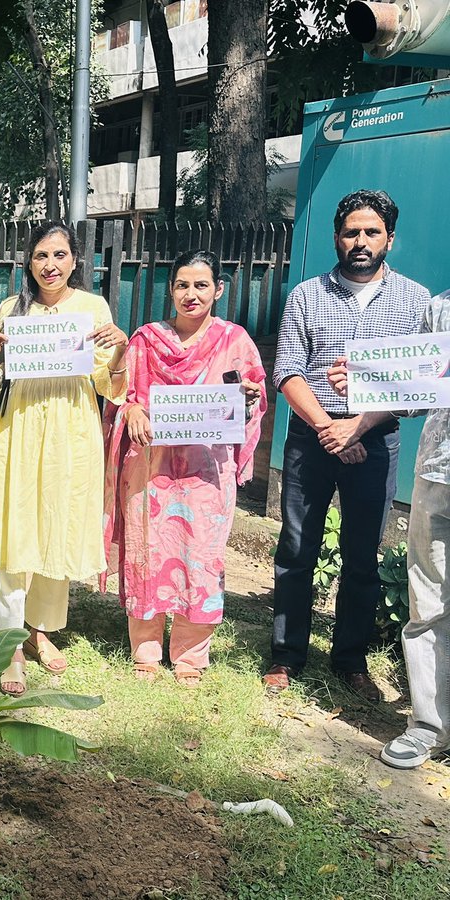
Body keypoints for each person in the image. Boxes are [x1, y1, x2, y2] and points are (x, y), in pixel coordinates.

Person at [268, 189, 429, 700]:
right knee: (296, 548)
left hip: (376, 439)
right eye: (350, 232)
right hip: (310, 436)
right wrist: (328, 429)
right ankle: (285, 656)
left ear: (390, 239)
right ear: (337, 237)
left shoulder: (416, 301)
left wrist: (357, 426)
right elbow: (288, 371)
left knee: (362, 556)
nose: (360, 241)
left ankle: (350, 661)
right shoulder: (306, 295)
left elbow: (419, 386)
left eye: (371, 232)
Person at [0, 221, 128, 695]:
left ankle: (40, 629)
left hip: (68, 434)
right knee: (10, 530)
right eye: (41, 256)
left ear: (75, 261)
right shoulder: (9, 311)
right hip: (14, 431)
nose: (50, 265)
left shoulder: (92, 308)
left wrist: (118, 350)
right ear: (29, 262)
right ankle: (10, 647)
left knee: (51, 526)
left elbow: (109, 385)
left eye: (60, 255)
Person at [102, 250, 267, 686]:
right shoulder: (145, 339)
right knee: (146, 553)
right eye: (181, 285)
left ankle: (191, 657)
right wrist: (131, 409)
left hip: (206, 472)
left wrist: (247, 400)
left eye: (200, 285)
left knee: (201, 558)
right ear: (170, 289)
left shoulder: (235, 342)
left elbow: (252, 401)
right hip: (149, 468)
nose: (190, 294)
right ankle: (146, 653)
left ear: (218, 290)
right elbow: (118, 390)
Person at [328, 289, 450, 766]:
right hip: (437, 475)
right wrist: (364, 381)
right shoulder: (440, 308)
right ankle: (429, 725)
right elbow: (415, 395)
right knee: (429, 601)